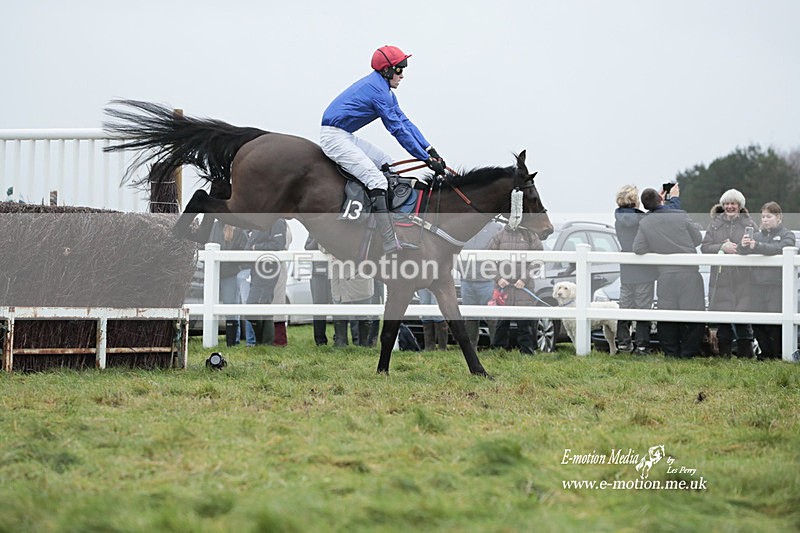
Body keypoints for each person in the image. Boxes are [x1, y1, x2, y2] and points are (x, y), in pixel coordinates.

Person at [320, 45, 446, 255]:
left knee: (390, 164)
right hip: (334, 137)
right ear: (387, 70)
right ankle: (389, 241)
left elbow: (405, 122)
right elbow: (397, 130)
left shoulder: (385, 91)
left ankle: (397, 225)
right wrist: (424, 159)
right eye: (399, 69)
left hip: (345, 135)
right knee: (377, 181)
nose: (402, 75)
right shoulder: (379, 92)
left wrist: (430, 150)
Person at [633, 188, 704, 358]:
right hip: (689, 272)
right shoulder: (680, 215)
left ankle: (671, 352)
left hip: (665, 274)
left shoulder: (645, 222)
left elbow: (638, 248)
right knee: (693, 313)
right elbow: (697, 239)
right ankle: (688, 352)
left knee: (667, 315)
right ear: (661, 197)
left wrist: (657, 246)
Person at [614, 183, 681, 354]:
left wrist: (657, 201)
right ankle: (642, 346)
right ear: (635, 199)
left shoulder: (619, 218)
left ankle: (623, 344)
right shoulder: (643, 219)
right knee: (643, 309)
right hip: (644, 271)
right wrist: (670, 200)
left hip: (627, 272)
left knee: (625, 309)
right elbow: (667, 216)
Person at [700, 189, 757, 358]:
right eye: (726, 203)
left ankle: (746, 356)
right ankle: (724, 356)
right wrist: (721, 247)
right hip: (721, 278)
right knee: (723, 320)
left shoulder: (750, 224)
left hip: (743, 278)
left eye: (733, 203)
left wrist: (740, 247)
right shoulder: (714, 224)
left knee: (742, 319)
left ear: (740, 206)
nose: (729, 207)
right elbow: (705, 247)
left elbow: (756, 245)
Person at [738, 202, 796, 359]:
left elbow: (781, 248)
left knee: (774, 323)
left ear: (779, 217)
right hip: (756, 285)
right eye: (763, 216)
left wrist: (757, 246)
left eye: (769, 216)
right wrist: (743, 245)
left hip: (776, 285)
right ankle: (765, 354)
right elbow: (741, 251)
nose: (765, 220)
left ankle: (777, 355)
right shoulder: (756, 236)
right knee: (757, 322)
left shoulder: (787, 235)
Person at [487, 224, 542, 355]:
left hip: (524, 288)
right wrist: (498, 278)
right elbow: (488, 260)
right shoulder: (499, 236)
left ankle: (527, 352)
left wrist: (524, 279)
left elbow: (538, 259)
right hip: (503, 288)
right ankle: (498, 352)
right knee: (502, 322)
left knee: (525, 322)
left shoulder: (531, 236)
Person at [459, 220, 502, 350]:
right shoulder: (466, 226)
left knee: (492, 316)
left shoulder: (496, 228)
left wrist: (495, 274)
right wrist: (460, 268)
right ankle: (471, 349)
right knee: (470, 317)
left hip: (487, 281)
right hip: (467, 281)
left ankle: (495, 347)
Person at [245, 219, 288, 346]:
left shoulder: (277, 220)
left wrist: (255, 247)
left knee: (254, 305)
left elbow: (278, 244)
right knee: (263, 305)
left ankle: (263, 341)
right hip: (257, 268)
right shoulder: (261, 220)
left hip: (267, 269)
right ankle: (264, 343)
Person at [208, 221, 248, 347]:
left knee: (231, 308)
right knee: (210, 306)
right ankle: (211, 340)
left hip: (230, 274)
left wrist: (234, 266)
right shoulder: (215, 226)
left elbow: (245, 252)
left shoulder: (239, 230)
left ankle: (232, 342)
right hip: (214, 273)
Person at [305, 235, 332, 346]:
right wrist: (319, 235)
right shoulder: (315, 230)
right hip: (318, 274)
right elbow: (308, 247)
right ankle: (320, 340)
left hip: (336, 272)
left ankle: (340, 339)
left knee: (338, 305)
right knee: (318, 306)